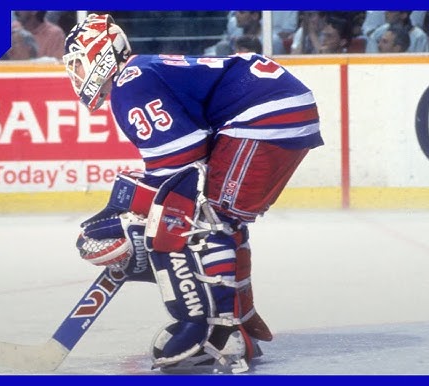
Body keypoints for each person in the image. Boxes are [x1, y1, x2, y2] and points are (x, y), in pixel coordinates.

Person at [64, 14, 323, 374]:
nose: (75, 74)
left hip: (264, 116)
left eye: (78, 62)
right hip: (277, 109)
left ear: (100, 53)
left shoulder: (129, 83)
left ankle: (219, 334)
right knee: (219, 219)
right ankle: (238, 318)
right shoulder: (140, 74)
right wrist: (131, 207)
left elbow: (181, 163)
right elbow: (185, 163)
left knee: (202, 222)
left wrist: (127, 216)